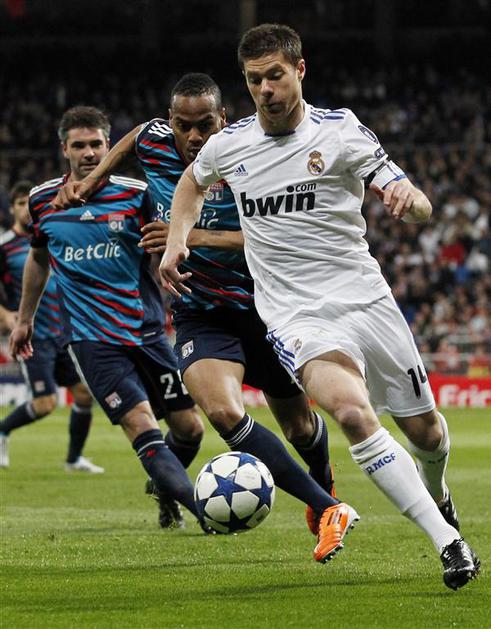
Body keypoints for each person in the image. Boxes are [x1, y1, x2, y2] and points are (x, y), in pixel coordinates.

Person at [159, 25, 480, 589]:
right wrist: (177, 239)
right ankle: (449, 542)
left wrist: (409, 199)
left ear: (299, 70)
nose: (265, 90)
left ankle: (438, 490)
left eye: (275, 76)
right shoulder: (230, 144)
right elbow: (191, 182)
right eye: (254, 80)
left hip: (366, 301)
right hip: (296, 315)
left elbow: (420, 205)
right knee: (352, 414)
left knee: (427, 432)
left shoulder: (341, 131)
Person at [51, 74, 357, 565]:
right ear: (170, 121)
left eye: (205, 126)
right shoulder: (155, 141)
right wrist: (93, 180)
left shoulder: (252, 155)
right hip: (199, 312)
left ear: (223, 119)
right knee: (222, 413)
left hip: (263, 308)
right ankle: (328, 509)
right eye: (183, 125)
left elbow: (273, 236)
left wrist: (187, 236)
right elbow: (135, 137)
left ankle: (323, 482)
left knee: (300, 428)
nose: (194, 137)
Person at [9, 106, 206, 530]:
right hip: (92, 340)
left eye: (96, 144)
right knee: (141, 423)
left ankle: (166, 488)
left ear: (108, 145)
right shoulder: (43, 201)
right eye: (79, 145)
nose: (89, 153)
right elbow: (38, 258)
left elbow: (168, 240)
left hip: (147, 332)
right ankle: (202, 510)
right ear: (64, 149)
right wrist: (25, 319)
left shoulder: (138, 195)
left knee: (190, 428)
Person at [0, 180, 103, 473]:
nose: (26, 209)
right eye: (20, 203)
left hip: (62, 333)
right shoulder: (5, 247)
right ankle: (2, 431)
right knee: (45, 404)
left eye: (28, 202)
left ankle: (73, 459)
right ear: (12, 209)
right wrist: (7, 316)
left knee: (83, 395)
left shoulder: (52, 235)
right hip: (33, 336)